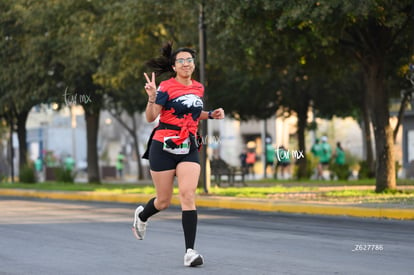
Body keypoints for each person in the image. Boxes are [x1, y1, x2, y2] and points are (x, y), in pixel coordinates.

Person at [132, 42, 225, 267]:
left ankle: (190, 252)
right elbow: (151, 117)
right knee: (163, 201)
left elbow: (191, 113)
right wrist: (152, 97)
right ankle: (142, 216)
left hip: (188, 145)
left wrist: (210, 114)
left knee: (187, 195)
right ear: (174, 66)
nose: (186, 64)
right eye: (181, 61)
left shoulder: (199, 87)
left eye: (189, 60)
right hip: (162, 145)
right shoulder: (165, 87)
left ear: (194, 65)